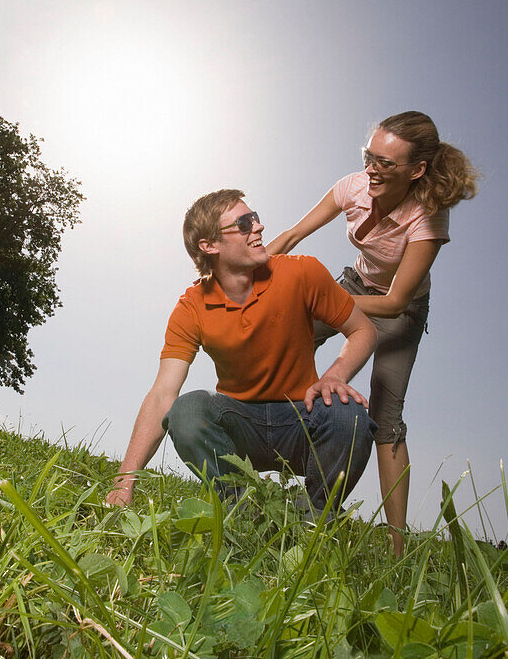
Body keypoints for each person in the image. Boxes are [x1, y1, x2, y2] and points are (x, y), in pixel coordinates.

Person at [266, 111, 479, 555]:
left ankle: (397, 546)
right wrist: (247, 273)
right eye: (370, 156)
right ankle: (272, 449)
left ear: (416, 170)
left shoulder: (428, 220)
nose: (372, 170)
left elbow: (395, 302)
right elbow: (291, 236)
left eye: (386, 163)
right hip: (356, 287)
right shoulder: (353, 187)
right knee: (285, 337)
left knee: (386, 416)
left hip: (399, 313)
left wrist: (314, 297)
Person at [106, 189, 378, 515]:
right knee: (186, 410)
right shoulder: (191, 307)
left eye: (256, 218)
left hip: (300, 420)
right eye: (244, 223)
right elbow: (163, 394)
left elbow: (364, 330)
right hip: (240, 426)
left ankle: (314, 517)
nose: (259, 227)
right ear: (209, 245)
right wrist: (125, 481)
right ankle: (243, 512)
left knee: (349, 413)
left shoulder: (303, 273)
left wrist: (336, 374)